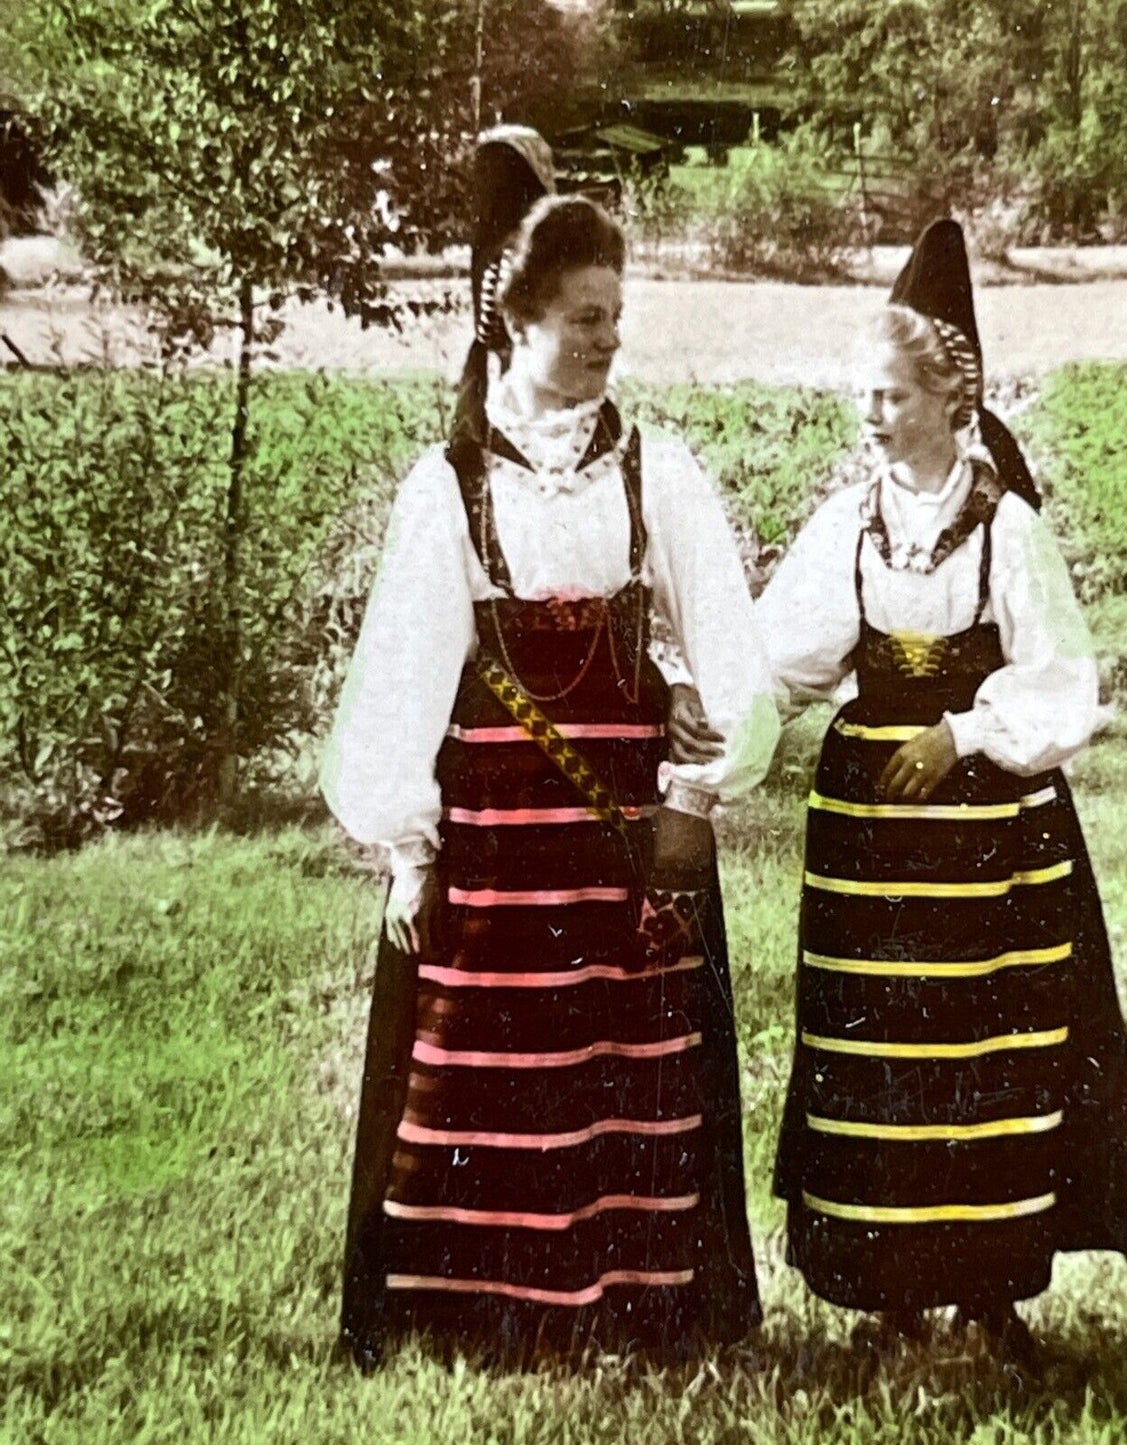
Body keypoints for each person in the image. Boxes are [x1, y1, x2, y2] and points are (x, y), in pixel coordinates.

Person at [323, 139, 779, 1367]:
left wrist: (693, 786)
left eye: (617, 322)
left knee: (627, 1064)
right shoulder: (450, 490)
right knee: (496, 1061)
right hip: (500, 843)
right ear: (513, 320)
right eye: (585, 319)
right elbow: (404, 680)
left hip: (629, 841)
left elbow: (730, 658)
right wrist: (406, 850)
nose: (606, 344)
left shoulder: (657, 472)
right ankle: (487, 1316)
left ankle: (634, 1311)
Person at [758, 219, 1127, 1362]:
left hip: (986, 836)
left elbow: (1060, 680)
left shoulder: (1008, 532)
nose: (871, 415)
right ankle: (888, 1289)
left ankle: (986, 1290)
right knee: (882, 1049)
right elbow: (778, 659)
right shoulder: (846, 526)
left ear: (950, 399)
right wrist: (699, 726)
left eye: (890, 395)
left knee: (986, 1052)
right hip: (873, 841)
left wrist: (962, 730)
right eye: (861, 396)